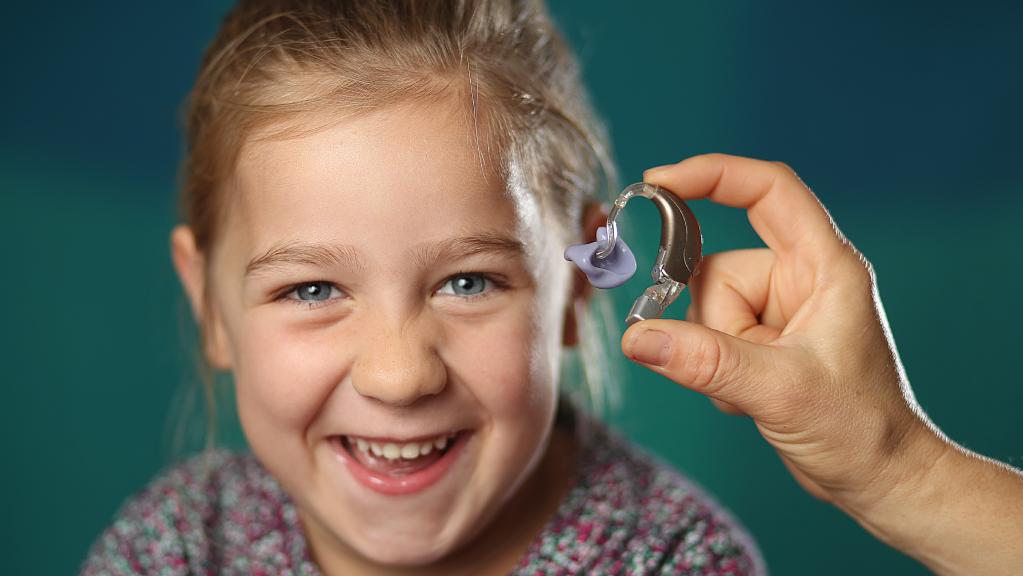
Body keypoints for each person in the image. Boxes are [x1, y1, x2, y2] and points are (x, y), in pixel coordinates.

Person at [80, 1, 1022, 575]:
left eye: (468, 281)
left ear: (578, 286)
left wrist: (896, 464)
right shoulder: (174, 547)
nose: (400, 375)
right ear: (208, 305)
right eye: (312, 291)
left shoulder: (673, 561)